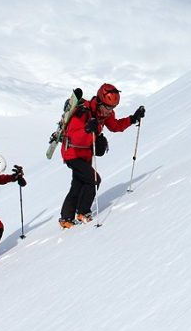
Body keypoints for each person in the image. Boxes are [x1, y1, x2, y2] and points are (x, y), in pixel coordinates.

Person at [58, 83, 145, 228]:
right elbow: (74, 137)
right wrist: (87, 129)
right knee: (94, 179)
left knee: (78, 184)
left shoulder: (104, 113)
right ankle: (83, 212)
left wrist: (133, 118)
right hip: (72, 153)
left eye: (112, 108)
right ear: (99, 101)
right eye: (107, 107)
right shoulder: (82, 112)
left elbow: (115, 126)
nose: (109, 111)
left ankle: (66, 218)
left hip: (86, 153)